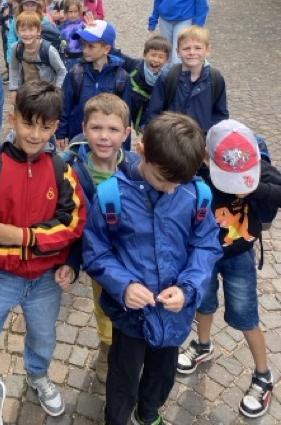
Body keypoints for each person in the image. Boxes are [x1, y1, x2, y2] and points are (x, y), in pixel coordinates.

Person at [83, 112, 222, 425]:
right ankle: (117, 419)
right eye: (162, 180)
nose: (170, 190)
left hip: (174, 313)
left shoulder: (195, 194)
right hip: (130, 315)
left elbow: (206, 245)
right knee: (123, 376)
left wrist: (189, 288)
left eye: (177, 183)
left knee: (162, 374)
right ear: (142, 150)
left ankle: (148, 412)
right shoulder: (111, 196)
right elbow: (96, 251)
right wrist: (124, 285)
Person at [0, 80, 87, 424]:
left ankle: (37, 375)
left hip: (46, 279)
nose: (35, 134)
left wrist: (25, 237)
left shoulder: (63, 172)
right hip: (0, 278)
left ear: (55, 126)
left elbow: (74, 223)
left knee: (44, 337)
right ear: (12, 118)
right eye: (28, 123)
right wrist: (27, 253)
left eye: (45, 127)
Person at [177, 120, 281, 419]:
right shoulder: (198, 167)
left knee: (247, 316)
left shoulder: (258, 169)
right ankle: (203, 345)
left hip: (240, 256)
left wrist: (255, 188)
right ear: (206, 156)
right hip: (203, 256)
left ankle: (263, 374)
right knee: (204, 303)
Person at [63, 94, 131, 383]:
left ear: (126, 133)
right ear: (84, 128)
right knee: (104, 306)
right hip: (96, 258)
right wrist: (70, 262)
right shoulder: (71, 169)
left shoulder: (134, 168)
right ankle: (106, 350)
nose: (104, 137)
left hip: (129, 254)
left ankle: (129, 351)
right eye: (96, 128)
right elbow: (66, 219)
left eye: (113, 129)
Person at [56, 20, 131, 150]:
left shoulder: (121, 78)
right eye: (84, 45)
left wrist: (124, 149)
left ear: (106, 49)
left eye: (91, 46)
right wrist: (61, 133)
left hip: (106, 143)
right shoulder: (76, 73)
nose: (85, 50)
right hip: (79, 140)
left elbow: (125, 116)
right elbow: (65, 105)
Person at [145, 25, 228, 133]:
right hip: (171, 139)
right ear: (178, 51)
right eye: (186, 48)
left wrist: (210, 135)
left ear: (208, 50)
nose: (192, 52)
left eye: (198, 48)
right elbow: (153, 114)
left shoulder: (215, 79)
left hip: (202, 140)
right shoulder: (167, 78)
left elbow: (220, 115)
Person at [9, 12, 66, 105]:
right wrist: (13, 89)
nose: (27, 34)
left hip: (46, 97)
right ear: (17, 32)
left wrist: (56, 92)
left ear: (38, 31)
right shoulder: (16, 48)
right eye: (23, 30)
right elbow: (14, 68)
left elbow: (62, 71)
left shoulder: (48, 50)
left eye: (31, 30)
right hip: (27, 93)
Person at [120, 35, 171, 132]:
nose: (156, 60)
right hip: (127, 107)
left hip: (145, 116)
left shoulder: (166, 78)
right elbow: (117, 55)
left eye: (161, 57)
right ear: (144, 54)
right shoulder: (135, 65)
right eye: (153, 55)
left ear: (167, 60)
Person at [6, 0, 51, 65]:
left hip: (39, 58)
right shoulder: (17, 19)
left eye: (33, 5)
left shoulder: (44, 20)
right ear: (21, 6)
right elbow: (11, 38)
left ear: (37, 5)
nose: (30, 8)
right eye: (26, 5)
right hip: (20, 56)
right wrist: (11, 60)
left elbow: (49, 39)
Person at [0, 0, 22, 82]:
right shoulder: (6, 6)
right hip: (6, 36)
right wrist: (4, 14)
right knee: (6, 53)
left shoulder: (20, 8)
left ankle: (17, 74)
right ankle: (9, 72)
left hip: (17, 36)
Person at [60, 0, 85, 70]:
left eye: (75, 11)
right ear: (66, 12)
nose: (73, 14)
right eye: (70, 12)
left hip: (81, 59)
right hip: (67, 59)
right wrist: (62, 53)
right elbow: (61, 43)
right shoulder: (62, 28)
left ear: (79, 12)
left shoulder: (83, 27)